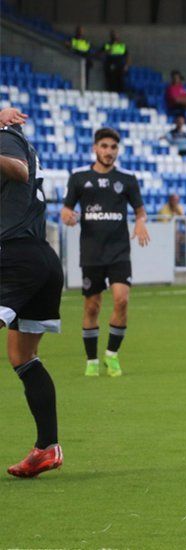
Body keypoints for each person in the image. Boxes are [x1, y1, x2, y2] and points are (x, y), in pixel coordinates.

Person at [0, 107, 65, 478]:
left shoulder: (7, 138)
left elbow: (18, 169)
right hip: (39, 257)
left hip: (13, 255)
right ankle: (46, 447)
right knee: (22, 356)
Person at [61, 127, 151, 377]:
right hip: (91, 252)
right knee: (92, 306)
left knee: (122, 300)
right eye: (104, 146)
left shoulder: (127, 179)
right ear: (95, 148)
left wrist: (140, 221)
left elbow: (140, 210)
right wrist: (67, 216)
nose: (109, 151)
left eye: (113, 147)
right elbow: (66, 209)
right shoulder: (79, 178)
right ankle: (91, 360)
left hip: (119, 251)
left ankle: (111, 355)